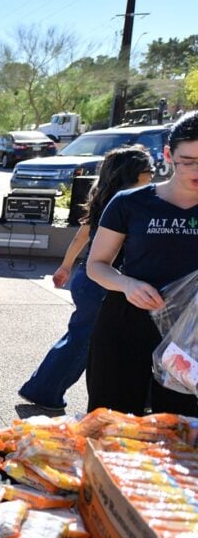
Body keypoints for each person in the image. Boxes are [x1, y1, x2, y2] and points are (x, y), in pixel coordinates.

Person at [18, 146, 155, 411]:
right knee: (83, 341)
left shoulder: (105, 200)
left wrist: (66, 267)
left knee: (89, 338)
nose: (153, 175)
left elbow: (81, 237)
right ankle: (43, 391)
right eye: (148, 170)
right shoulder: (125, 205)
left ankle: (145, 397)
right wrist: (65, 267)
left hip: (91, 281)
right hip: (99, 285)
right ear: (132, 173)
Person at [86, 111, 198, 416]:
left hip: (191, 338)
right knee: (112, 423)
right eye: (188, 161)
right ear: (168, 155)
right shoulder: (129, 202)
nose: (196, 171)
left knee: (181, 430)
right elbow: (96, 265)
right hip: (127, 326)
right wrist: (127, 284)